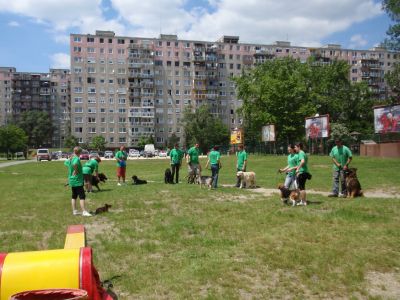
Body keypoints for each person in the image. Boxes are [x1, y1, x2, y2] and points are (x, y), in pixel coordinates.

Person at [65, 146, 91, 216]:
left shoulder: (71, 158)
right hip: (77, 181)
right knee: (82, 196)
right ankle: (84, 211)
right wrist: (76, 170)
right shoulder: (76, 158)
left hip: (72, 180)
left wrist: (70, 160)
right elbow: (75, 164)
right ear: (80, 152)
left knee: (74, 196)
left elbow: (66, 163)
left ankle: (74, 211)